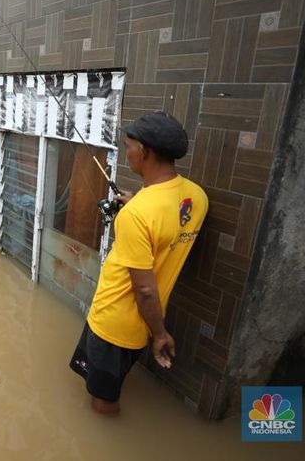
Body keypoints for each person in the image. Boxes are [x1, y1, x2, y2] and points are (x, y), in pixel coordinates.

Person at [69, 111, 208, 415]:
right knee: (105, 380)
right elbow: (167, 226)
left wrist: (161, 335)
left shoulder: (137, 214)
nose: (127, 151)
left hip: (112, 324)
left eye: (128, 145)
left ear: (143, 150)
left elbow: (144, 289)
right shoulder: (196, 197)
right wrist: (137, 204)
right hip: (140, 328)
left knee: (103, 399)